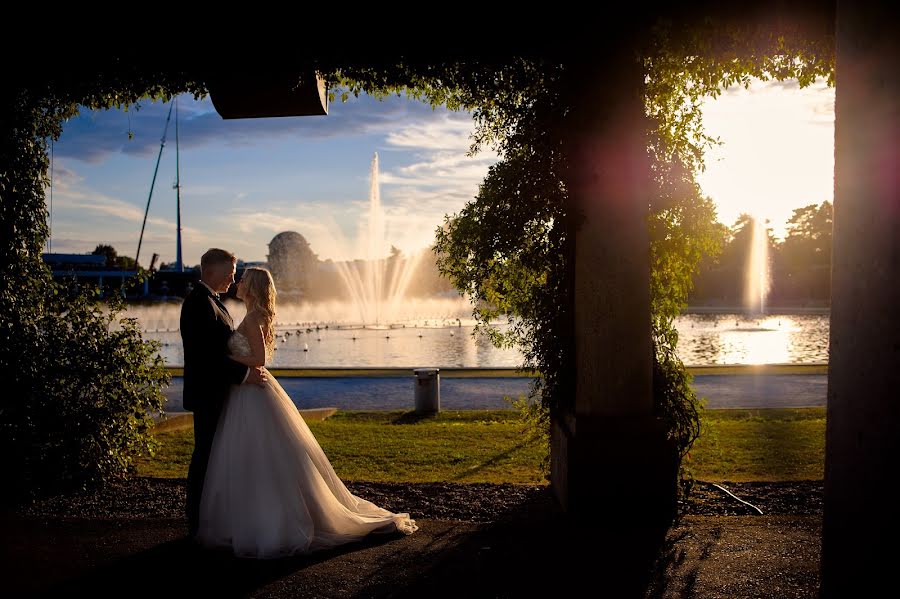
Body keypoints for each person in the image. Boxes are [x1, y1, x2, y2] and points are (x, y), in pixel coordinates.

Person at [196, 267, 417, 558]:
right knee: (258, 455)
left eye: (243, 279)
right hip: (247, 390)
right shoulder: (254, 315)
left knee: (257, 454)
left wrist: (227, 358)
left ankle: (269, 522)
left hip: (251, 389)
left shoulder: (253, 317)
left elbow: (259, 359)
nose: (237, 282)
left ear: (252, 286)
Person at [180, 248, 268, 538]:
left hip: (219, 392)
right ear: (210, 272)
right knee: (206, 455)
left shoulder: (213, 302)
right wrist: (244, 375)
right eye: (229, 273)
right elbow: (208, 358)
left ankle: (211, 518)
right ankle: (198, 522)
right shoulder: (198, 304)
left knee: (214, 455)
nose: (233, 279)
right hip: (208, 393)